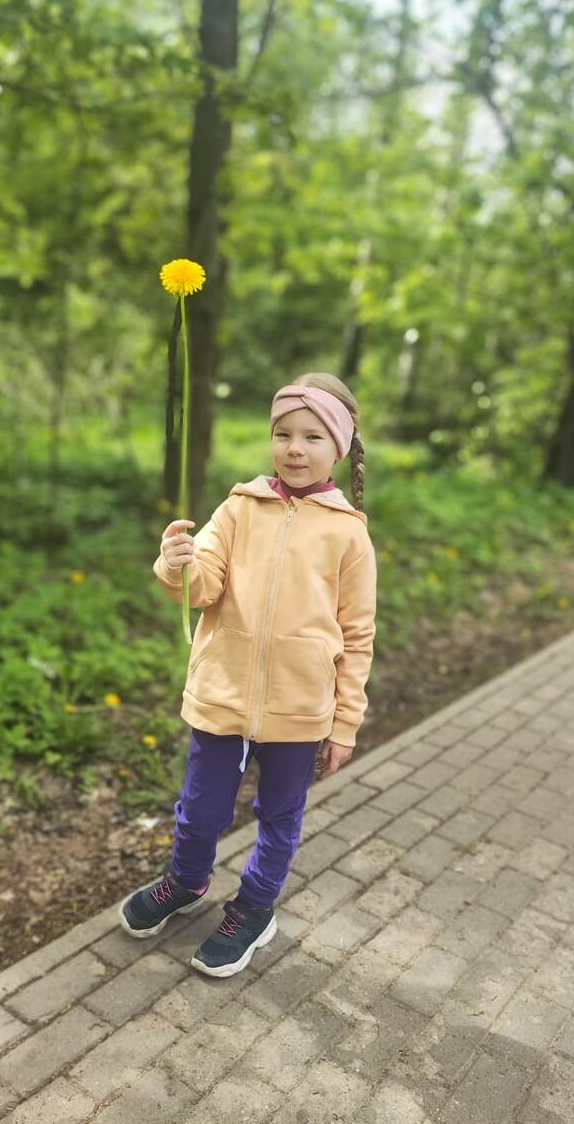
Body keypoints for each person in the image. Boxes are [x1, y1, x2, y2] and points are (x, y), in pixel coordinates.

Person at [119, 372, 377, 977]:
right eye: (282, 433)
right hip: (222, 695)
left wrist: (344, 724)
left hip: (299, 710)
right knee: (199, 809)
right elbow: (203, 583)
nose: (294, 447)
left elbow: (358, 637)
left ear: (337, 446)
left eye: (312, 436)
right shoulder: (239, 508)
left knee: (279, 816)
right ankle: (185, 883)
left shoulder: (349, 535)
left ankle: (255, 908)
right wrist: (176, 565)